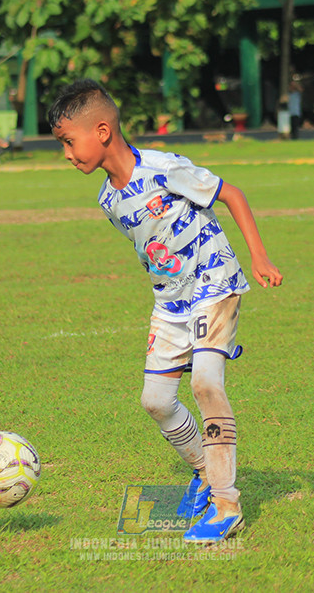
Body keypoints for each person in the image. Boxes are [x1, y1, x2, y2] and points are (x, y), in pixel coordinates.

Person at [47, 79, 283, 544]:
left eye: (69, 142)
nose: (68, 154)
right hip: (169, 302)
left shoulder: (165, 169)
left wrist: (259, 257)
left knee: (205, 383)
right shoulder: (108, 200)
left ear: (101, 131)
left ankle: (226, 503)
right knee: (154, 401)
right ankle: (203, 471)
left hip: (213, 285)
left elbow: (232, 195)